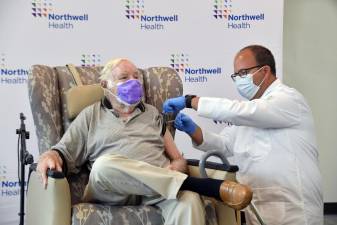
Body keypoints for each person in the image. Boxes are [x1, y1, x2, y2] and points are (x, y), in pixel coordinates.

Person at [36, 58, 252, 225]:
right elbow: (63, 151)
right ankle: (197, 185)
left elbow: (177, 159)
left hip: (156, 193)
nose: (133, 81)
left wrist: (175, 167)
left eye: (136, 76)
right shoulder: (90, 116)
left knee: (189, 201)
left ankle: (186, 186)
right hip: (112, 191)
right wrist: (49, 155)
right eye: (124, 77)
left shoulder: (152, 114)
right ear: (105, 84)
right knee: (103, 165)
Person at [163, 45, 323, 225]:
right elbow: (224, 144)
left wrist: (190, 101)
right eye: (236, 75)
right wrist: (194, 131)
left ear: (265, 71)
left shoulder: (288, 100)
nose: (239, 79)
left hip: (293, 208)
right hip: (257, 206)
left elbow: (246, 112)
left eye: (243, 73)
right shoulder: (251, 114)